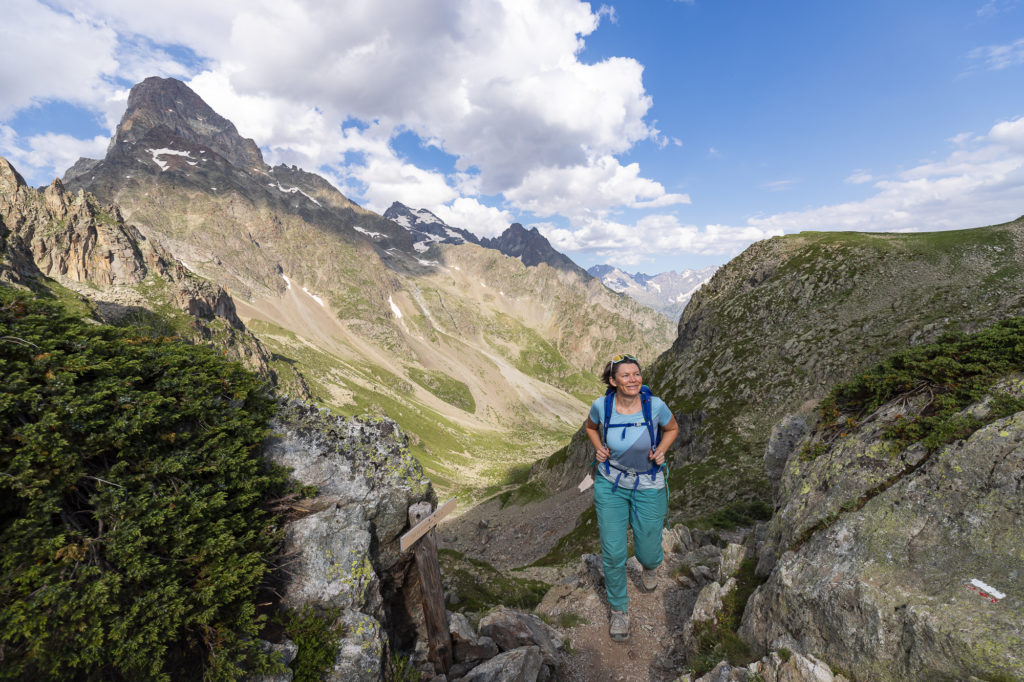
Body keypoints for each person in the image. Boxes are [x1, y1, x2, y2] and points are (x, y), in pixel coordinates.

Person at [584, 353, 679, 642]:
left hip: (649, 484)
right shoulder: (602, 406)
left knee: (648, 551)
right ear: (613, 381)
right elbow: (590, 427)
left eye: (636, 374)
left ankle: (650, 565)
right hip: (610, 484)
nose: (633, 379)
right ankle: (619, 611)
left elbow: (672, 428)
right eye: (625, 375)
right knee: (613, 553)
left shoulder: (655, 406)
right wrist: (599, 447)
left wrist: (662, 449)